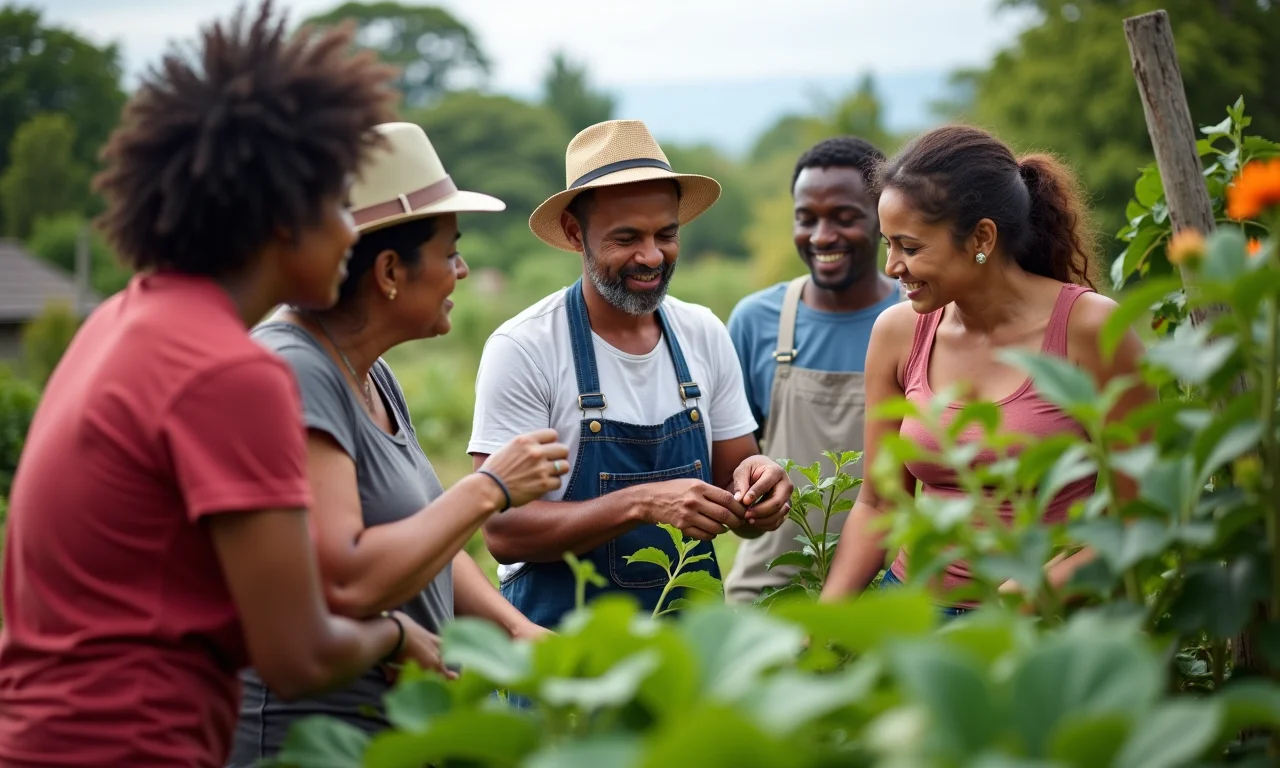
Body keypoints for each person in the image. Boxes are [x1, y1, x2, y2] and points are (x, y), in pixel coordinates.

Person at [0, 4, 446, 767]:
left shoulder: (121, 318)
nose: (350, 230)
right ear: (281, 215)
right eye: (337, 204)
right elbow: (296, 654)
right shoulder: (230, 372)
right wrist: (399, 633)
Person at [226, 122, 570, 764]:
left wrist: (518, 630)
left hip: (388, 733)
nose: (462, 271)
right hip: (310, 741)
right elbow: (347, 577)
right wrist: (490, 488)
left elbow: (426, 536)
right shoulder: (294, 371)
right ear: (389, 270)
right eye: (449, 252)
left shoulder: (369, 370)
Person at [467, 119, 794, 629]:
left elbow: (738, 480)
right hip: (563, 648)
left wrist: (759, 494)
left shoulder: (702, 333)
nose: (651, 256)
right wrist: (642, 503)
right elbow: (504, 531)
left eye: (666, 234)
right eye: (627, 238)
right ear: (577, 234)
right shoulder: (525, 349)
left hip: (687, 656)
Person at [820, 125, 1150, 613]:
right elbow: (879, 503)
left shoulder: (1092, 329)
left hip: (1042, 623)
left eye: (910, 247)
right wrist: (820, 626)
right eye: (887, 244)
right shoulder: (897, 333)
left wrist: (1026, 599)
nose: (892, 266)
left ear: (982, 237)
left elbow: (1140, 519)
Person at [721, 136, 902, 604]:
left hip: (891, 594)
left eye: (844, 218)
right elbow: (732, 467)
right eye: (806, 218)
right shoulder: (756, 321)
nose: (821, 236)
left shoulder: (922, 319)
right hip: (769, 593)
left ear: (882, 220)